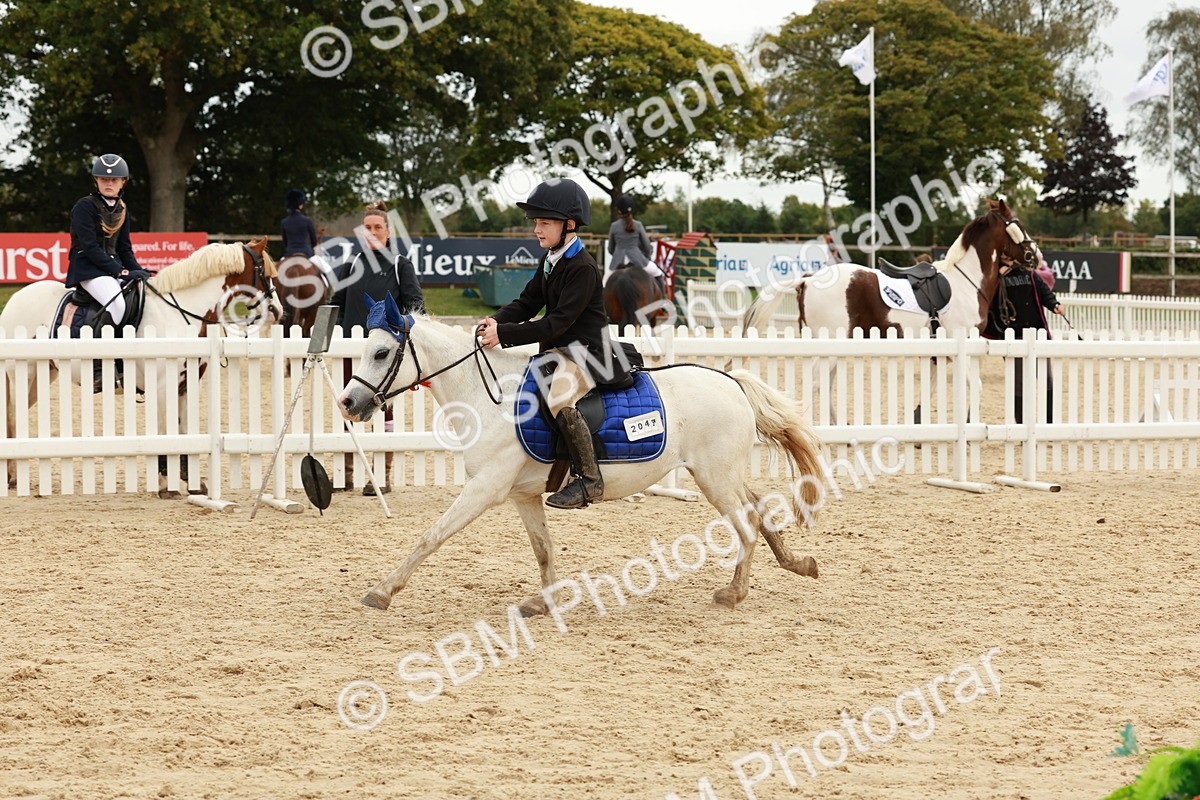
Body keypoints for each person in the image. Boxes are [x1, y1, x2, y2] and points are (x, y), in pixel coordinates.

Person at [478, 178, 623, 510]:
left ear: (568, 224)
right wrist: (496, 320)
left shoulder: (583, 267)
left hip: (587, 353)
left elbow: (557, 322)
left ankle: (589, 480)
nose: (536, 229)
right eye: (536, 222)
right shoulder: (551, 259)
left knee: (558, 396)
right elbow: (527, 303)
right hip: (561, 351)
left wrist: (505, 336)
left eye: (544, 222)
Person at [332, 201, 425, 495]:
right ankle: (344, 474)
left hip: (383, 356)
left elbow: (416, 306)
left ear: (388, 231)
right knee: (347, 407)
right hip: (349, 350)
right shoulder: (351, 265)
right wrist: (330, 337)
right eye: (367, 228)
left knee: (383, 412)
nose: (372, 232)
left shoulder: (400, 264)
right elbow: (336, 305)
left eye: (377, 227)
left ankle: (380, 476)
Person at [65, 154, 151, 391]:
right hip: (88, 269)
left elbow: (124, 248)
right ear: (96, 180)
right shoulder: (84, 206)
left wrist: (138, 271)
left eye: (114, 180)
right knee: (117, 305)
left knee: (141, 297)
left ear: (123, 182)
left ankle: (125, 360)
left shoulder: (122, 209)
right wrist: (120, 271)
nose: (109, 183)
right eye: (104, 179)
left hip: (111, 269)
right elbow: (90, 247)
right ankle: (98, 367)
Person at [984, 258, 1066, 423]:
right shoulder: (996, 275)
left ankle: (1049, 420)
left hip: (1037, 334)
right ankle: (1021, 421)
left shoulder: (1030, 274)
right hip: (1014, 335)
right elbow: (987, 297)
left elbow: (1044, 292)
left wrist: (1054, 304)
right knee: (1018, 381)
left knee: (1046, 379)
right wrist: (997, 277)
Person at [605, 194, 662, 289]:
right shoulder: (638, 225)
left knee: (604, 283)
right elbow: (647, 247)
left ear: (619, 211)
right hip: (638, 259)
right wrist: (647, 255)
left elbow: (611, 249)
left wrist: (617, 254)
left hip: (618, 262)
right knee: (657, 273)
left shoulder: (614, 226)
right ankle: (663, 296)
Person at [281, 189, 318, 259]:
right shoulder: (307, 220)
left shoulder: (284, 222)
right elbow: (314, 241)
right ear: (300, 205)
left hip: (290, 253)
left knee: (278, 265)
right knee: (324, 265)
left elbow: (285, 242)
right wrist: (312, 249)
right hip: (307, 252)